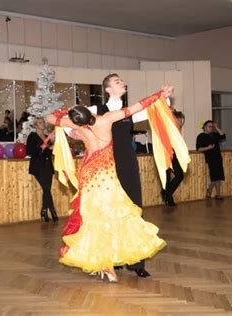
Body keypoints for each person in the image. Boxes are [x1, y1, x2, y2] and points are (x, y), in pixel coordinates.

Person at [46, 86, 172, 282]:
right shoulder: (107, 119)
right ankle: (112, 261)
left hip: (88, 175)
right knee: (114, 216)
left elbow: (49, 118)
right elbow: (137, 107)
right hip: (106, 176)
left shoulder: (76, 126)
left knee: (94, 219)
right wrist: (159, 94)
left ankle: (104, 264)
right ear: (90, 112)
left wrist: (65, 113)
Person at [92, 73, 150, 277]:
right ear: (108, 89)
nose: (122, 83)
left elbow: (153, 111)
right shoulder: (97, 111)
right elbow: (72, 119)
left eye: (122, 81)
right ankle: (112, 259)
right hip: (107, 167)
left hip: (127, 164)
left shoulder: (128, 112)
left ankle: (137, 263)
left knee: (133, 210)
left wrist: (164, 97)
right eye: (117, 82)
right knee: (109, 212)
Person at [26, 117, 58, 223]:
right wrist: (41, 148)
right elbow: (30, 151)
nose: (43, 124)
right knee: (46, 188)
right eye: (40, 122)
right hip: (38, 166)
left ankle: (45, 211)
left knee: (47, 189)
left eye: (43, 122)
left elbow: (47, 153)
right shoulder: (32, 136)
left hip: (48, 165)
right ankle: (50, 210)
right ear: (35, 125)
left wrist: (50, 149)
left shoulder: (46, 136)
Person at [196, 120, 226, 200]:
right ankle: (213, 193)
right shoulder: (201, 136)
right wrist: (208, 148)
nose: (210, 128)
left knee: (218, 176)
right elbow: (199, 149)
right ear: (204, 127)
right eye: (209, 126)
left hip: (218, 157)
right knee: (215, 176)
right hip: (210, 158)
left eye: (211, 126)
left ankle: (215, 193)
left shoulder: (214, 135)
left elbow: (223, 136)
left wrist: (216, 127)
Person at [161, 110, 186, 206]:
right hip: (165, 152)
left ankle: (166, 194)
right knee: (167, 177)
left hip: (173, 152)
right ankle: (168, 197)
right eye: (178, 119)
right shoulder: (168, 125)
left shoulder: (178, 127)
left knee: (179, 175)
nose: (180, 121)